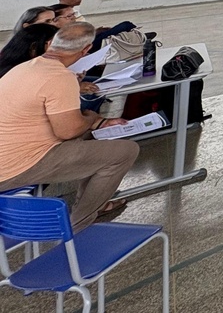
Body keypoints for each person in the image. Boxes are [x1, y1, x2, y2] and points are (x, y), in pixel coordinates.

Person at [0, 23, 139, 227]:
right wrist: (92, 119)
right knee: (125, 152)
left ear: (52, 44)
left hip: (10, 154)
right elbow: (68, 131)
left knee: (99, 135)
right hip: (16, 166)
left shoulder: (25, 68)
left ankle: (94, 204)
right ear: (86, 50)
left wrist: (98, 123)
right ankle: (79, 223)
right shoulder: (59, 77)